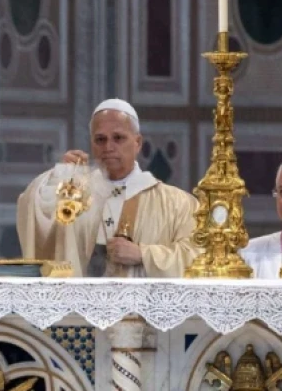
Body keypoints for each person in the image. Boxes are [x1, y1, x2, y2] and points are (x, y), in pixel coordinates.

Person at [16, 99, 201, 277]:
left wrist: (143, 254)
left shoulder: (177, 204)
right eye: (100, 139)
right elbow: (34, 210)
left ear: (137, 143)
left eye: (118, 138)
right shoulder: (74, 194)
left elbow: (198, 257)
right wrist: (58, 176)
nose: (108, 147)